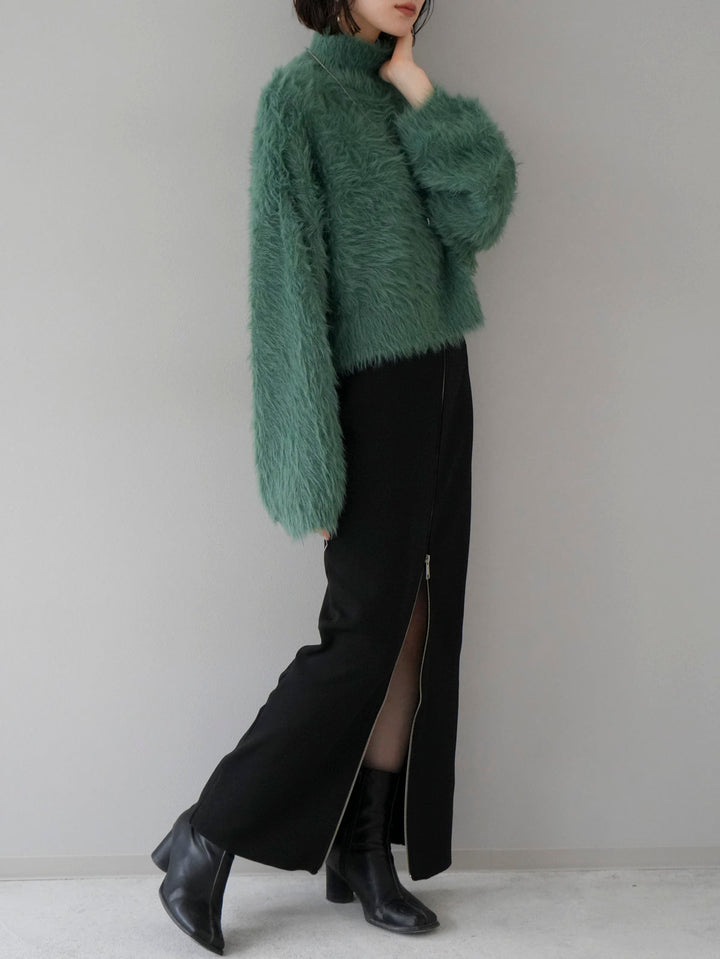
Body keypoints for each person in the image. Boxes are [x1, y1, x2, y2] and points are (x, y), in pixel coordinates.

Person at [150, 1, 518, 953]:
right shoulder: (299, 99)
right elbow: (285, 288)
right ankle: (206, 834)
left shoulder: (407, 91)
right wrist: (310, 456)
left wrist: (421, 91)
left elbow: (482, 211)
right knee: (361, 632)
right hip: (365, 392)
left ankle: (362, 851)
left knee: (414, 622)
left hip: (442, 378)